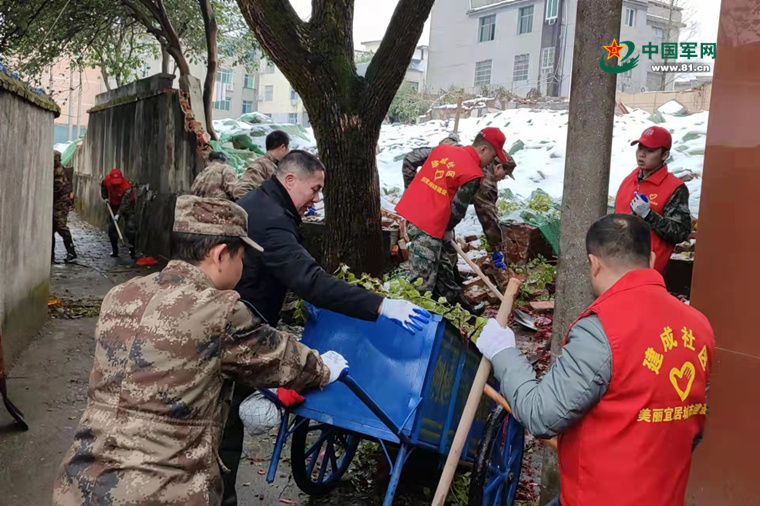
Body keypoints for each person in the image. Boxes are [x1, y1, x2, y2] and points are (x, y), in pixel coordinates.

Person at [52, 196, 349, 506]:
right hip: (160, 491)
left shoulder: (120, 295)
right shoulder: (220, 312)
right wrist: (325, 367)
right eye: (242, 256)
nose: (243, 265)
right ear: (220, 255)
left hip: (80, 483)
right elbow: (286, 361)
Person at [223, 150, 431, 505]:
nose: (317, 198)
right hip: (237, 328)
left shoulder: (260, 203)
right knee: (225, 427)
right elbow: (311, 281)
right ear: (290, 180)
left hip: (236, 316)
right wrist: (381, 305)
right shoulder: (271, 219)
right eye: (315, 189)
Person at [475, 214, 715, 506]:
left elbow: (541, 415)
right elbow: (694, 426)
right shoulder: (699, 326)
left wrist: (504, 353)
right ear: (651, 259)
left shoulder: (603, 329)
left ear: (594, 264)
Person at [395, 127, 508, 312]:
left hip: (415, 215)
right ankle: (409, 323)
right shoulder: (473, 173)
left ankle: (459, 309)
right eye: (493, 157)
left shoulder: (444, 149)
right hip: (428, 225)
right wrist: (447, 230)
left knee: (443, 266)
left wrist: (412, 189)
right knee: (421, 283)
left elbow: (410, 158)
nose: (490, 163)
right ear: (484, 150)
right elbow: (457, 210)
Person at [615, 126, 691, 274]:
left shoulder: (674, 188)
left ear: (665, 155)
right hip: (617, 266)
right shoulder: (629, 180)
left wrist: (649, 215)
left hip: (648, 271)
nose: (642, 155)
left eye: (650, 151)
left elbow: (680, 232)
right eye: (640, 148)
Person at [232, 130, 290, 200]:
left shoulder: (273, 166)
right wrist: (262, 207)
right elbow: (240, 191)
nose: (288, 152)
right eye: (288, 148)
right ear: (283, 147)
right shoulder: (261, 165)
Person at [101, 168, 136, 258]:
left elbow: (125, 203)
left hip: (128, 205)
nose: (116, 184)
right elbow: (103, 188)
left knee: (130, 227)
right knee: (112, 228)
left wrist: (118, 214)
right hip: (113, 204)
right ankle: (115, 251)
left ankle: (132, 251)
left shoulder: (127, 187)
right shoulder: (106, 181)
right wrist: (105, 197)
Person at [52, 150, 77, 262]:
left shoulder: (58, 171)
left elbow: (57, 188)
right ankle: (50, 255)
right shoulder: (54, 169)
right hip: (55, 202)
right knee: (51, 228)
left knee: (60, 226)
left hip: (60, 203)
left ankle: (71, 251)